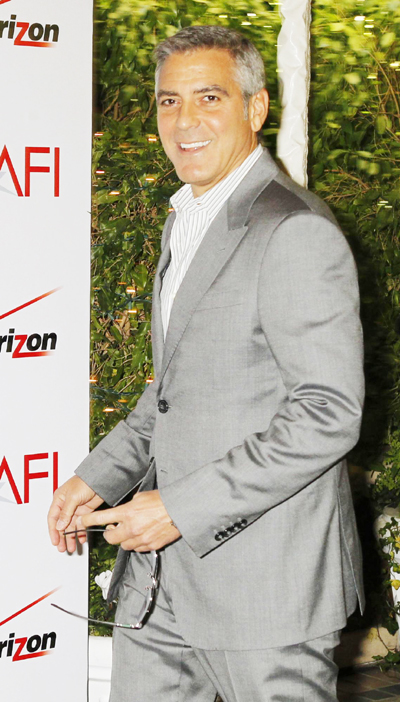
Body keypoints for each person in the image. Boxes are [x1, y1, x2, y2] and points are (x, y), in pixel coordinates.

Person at [48, 25, 365, 702]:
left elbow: (328, 414)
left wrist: (181, 509)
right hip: (159, 583)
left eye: (209, 97)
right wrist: (98, 475)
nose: (184, 120)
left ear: (256, 107)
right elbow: (175, 388)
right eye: (169, 101)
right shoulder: (187, 219)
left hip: (265, 587)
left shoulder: (295, 230)